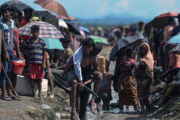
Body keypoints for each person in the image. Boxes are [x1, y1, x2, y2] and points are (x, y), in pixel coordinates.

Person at [64, 39, 100, 120]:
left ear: (92, 48)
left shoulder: (93, 59)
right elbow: (65, 70)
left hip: (86, 85)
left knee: (83, 109)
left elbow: (97, 74)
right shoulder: (76, 56)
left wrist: (85, 83)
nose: (87, 49)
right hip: (75, 85)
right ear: (82, 47)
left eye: (90, 47)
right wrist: (73, 80)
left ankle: (92, 101)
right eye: (86, 47)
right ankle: (73, 112)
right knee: (76, 108)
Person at [0, 4, 21, 101]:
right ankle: (4, 93)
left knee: (10, 72)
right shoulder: (1, 23)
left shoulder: (12, 22)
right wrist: (5, 53)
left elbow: (14, 38)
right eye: (3, 12)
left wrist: (18, 51)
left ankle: (10, 92)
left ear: (10, 13)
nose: (5, 14)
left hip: (12, 51)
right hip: (5, 51)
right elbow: (2, 39)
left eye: (6, 12)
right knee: (4, 72)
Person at [20, 25, 46, 99]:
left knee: (39, 79)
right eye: (33, 32)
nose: (35, 33)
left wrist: (44, 63)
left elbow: (44, 53)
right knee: (32, 78)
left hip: (40, 64)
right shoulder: (28, 41)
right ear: (31, 32)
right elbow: (21, 47)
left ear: (38, 33)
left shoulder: (42, 41)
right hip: (32, 63)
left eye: (36, 32)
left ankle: (40, 94)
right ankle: (34, 93)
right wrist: (26, 53)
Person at [135, 43, 154, 112]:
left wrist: (140, 67)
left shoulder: (148, 58)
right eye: (142, 49)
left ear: (148, 49)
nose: (144, 50)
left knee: (143, 93)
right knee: (141, 93)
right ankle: (146, 108)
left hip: (147, 77)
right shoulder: (140, 57)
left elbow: (150, 68)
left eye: (145, 49)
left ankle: (144, 108)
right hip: (140, 77)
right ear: (140, 49)